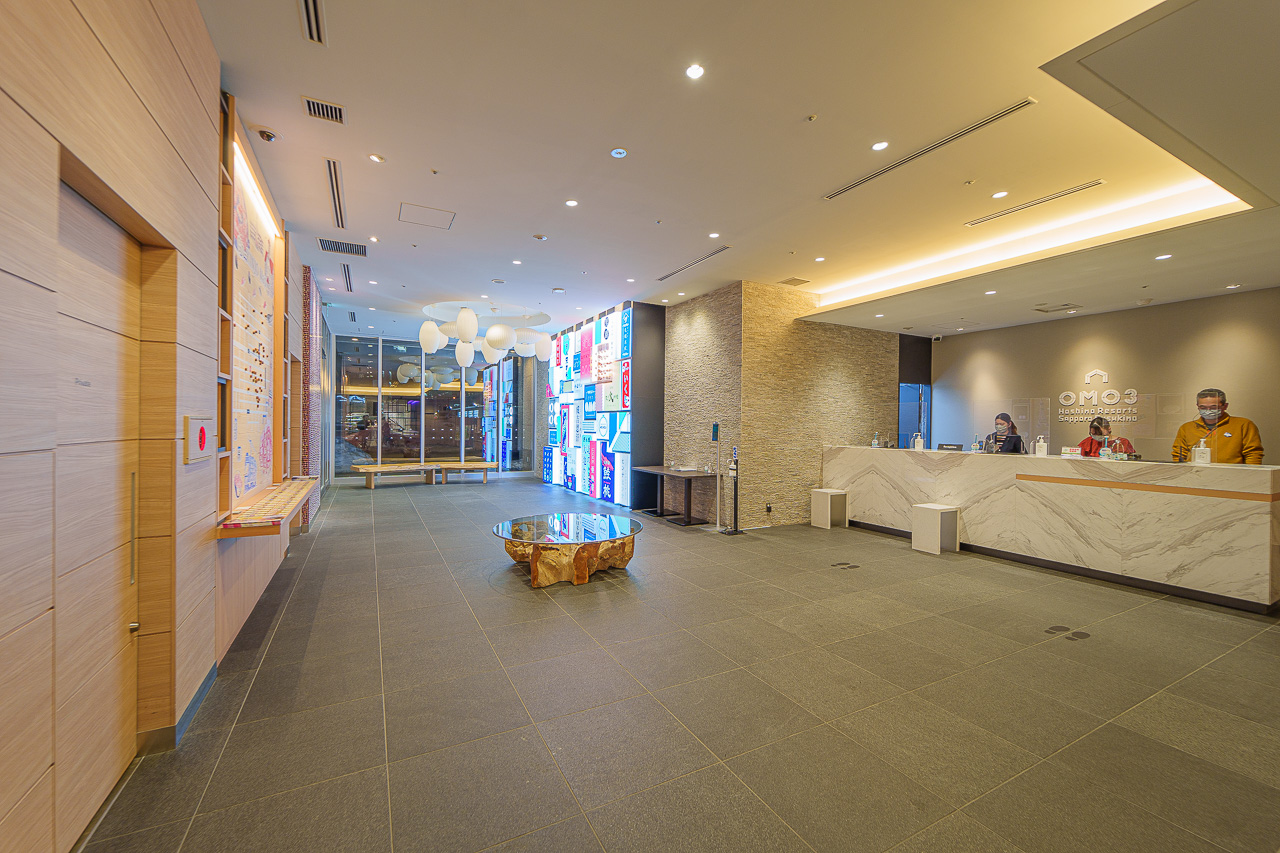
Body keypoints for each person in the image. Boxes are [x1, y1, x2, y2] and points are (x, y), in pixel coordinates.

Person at [1172, 388, 1264, 464]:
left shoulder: (1243, 425)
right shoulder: (1186, 428)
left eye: (1213, 407)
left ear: (1225, 406)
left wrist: (1250, 474)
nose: (1208, 410)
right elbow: (1178, 455)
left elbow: (1253, 454)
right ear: (1197, 406)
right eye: (1203, 407)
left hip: (1232, 476)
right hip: (1195, 475)